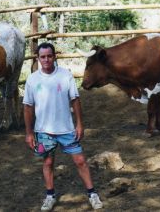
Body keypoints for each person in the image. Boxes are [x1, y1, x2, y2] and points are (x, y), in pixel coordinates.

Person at [23, 42, 103, 211]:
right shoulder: (32, 79)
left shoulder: (65, 75)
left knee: (80, 160)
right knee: (48, 162)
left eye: (49, 56)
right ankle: (50, 195)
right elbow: (28, 107)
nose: (46, 60)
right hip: (43, 130)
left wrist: (79, 124)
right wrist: (29, 133)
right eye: (42, 57)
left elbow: (75, 100)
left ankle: (92, 194)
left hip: (66, 129)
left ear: (54, 57)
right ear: (38, 59)